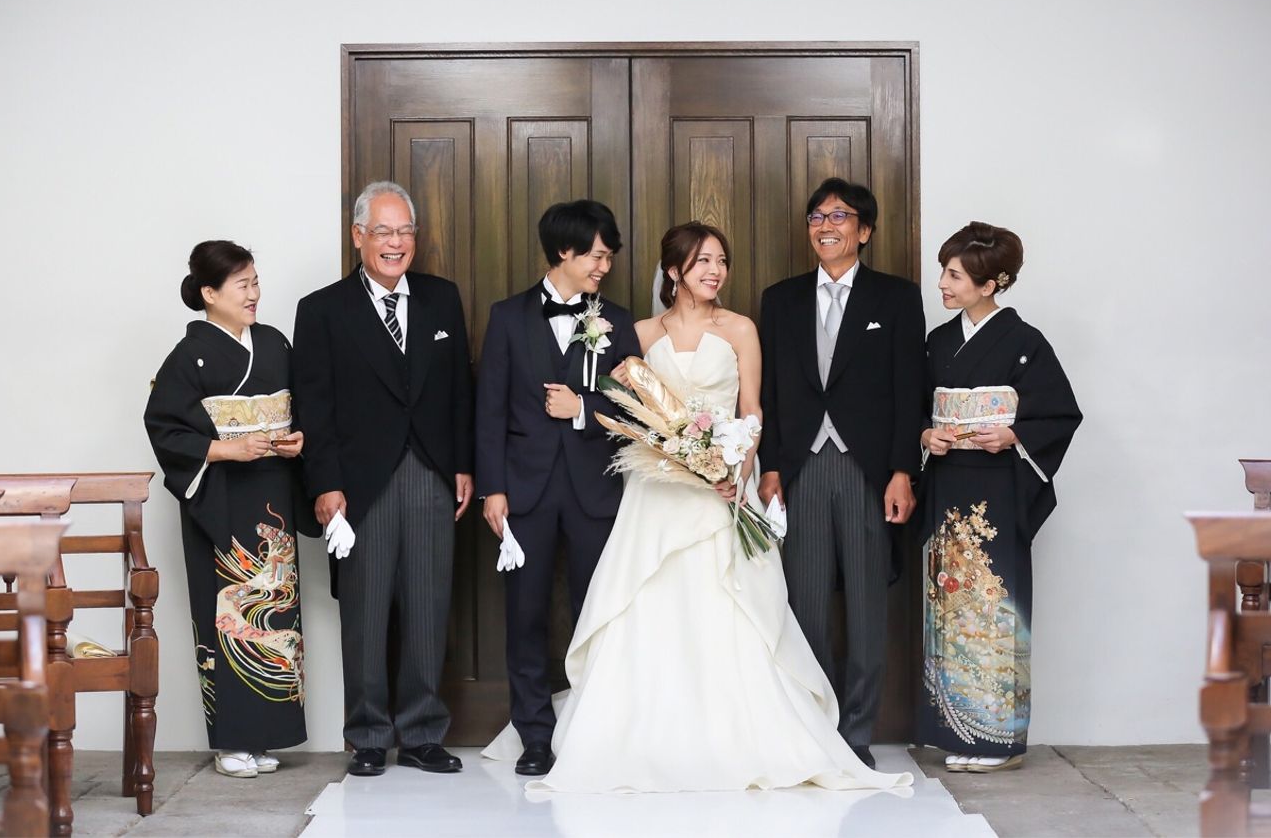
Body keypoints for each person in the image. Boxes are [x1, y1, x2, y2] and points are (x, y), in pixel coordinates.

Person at [484, 221, 912, 794]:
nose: (716, 271)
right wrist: (627, 414)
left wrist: (735, 468)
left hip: (722, 491)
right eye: (704, 261)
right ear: (674, 271)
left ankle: (735, 734)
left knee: (728, 606)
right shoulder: (636, 332)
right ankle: (638, 736)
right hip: (655, 492)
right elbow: (624, 410)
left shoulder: (740, 329)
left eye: (722, 261)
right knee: (647, 605)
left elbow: (752, 410)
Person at [292, 181, 474, 777]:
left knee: (428, 607)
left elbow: (460, 390)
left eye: (404, 231)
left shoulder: (442, 299)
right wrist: (325, 485)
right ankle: (368, 735)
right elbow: (314, 408)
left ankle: (422, 733)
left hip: (431, 475)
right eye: (383, 231)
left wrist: (463, 465)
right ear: (358, 237)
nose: (395, 243)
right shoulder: (322, 310)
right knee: (365, 613)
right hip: (358, 486)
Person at [757, 178, 926, 768]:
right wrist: (771, 466)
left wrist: (903, 470)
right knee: (804, 604)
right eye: (816, 217)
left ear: (865, 230)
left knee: (865, 605)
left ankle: (856, 732)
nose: (825, 226)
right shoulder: (780, 299)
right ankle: (816, 726)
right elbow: (770, 391)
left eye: (839, 216)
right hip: (801, 467)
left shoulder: (896, 298)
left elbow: (909, 390)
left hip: (867, 471)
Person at [475, 199, 640, 776]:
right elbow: (489, 410)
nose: (604, 266)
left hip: (597, 489)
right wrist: (492, 489)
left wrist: (582, 409)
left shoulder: (618, 320)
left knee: (598, 613)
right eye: (597, 255)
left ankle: (595, 734)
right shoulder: (506, 317)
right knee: (526, 616)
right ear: (564, 252)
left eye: (609, 257)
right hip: (525, 490)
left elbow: (637, 407)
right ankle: (535, 737)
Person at [914, 222, 1081, 773]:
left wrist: (1012, 435)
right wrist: (927, 434)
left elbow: (1059, 413)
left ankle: (999, 741)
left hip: (997, 491)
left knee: (995, 608)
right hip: (947, 487)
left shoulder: (1025, 342)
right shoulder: (938, 342)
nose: (942, 283)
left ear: (991, 285)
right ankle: (955, 731)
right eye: (944, 272)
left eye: (954, 275)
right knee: (948, 605)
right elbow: (916, 407)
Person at [145, 240, 309, 779]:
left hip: (272, 493)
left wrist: (297, 440)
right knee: (226, 617)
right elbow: (164, 426)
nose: (254, 294)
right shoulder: (188, 356)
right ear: (210, 294)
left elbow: (301, 408)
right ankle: (231, 741)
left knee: (276, 611)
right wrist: (223, 449)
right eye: (243, 285)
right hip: (218, 500)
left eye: (256, 282)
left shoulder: (275, 343)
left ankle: (268, 736)